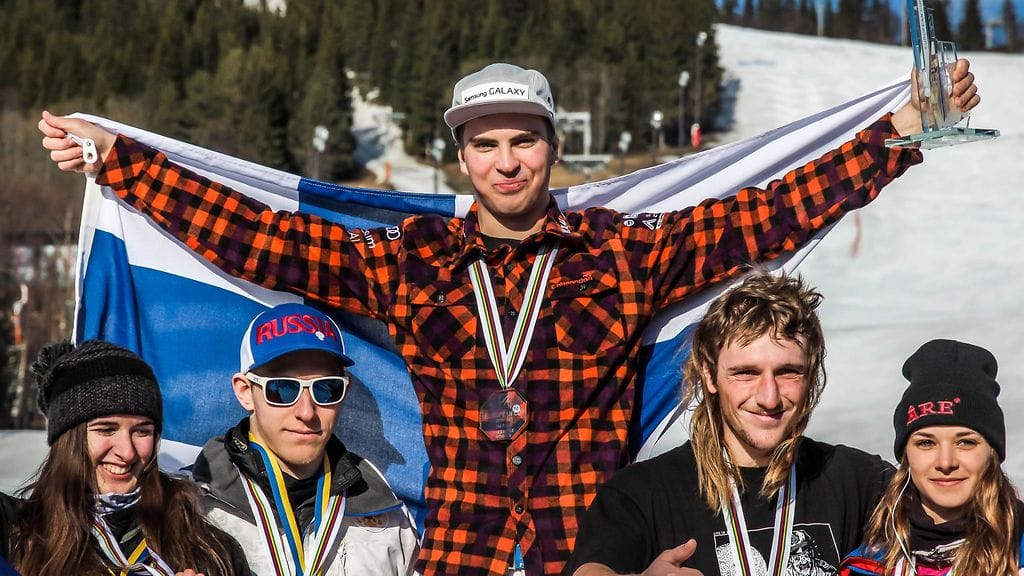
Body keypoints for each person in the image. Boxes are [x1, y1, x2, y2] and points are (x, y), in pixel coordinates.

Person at [39, 59, 980, 576]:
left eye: (522, 141)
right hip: (460, 552)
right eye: (485, 145)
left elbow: (762, 216)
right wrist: (126, 167)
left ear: (549, 148)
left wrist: (890, 142)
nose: (505, 162)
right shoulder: (414, 264)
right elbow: (265, 243)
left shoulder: (622, 255)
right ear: (461, 159)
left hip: (594, 554)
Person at [567, 272, 892, 576]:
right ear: (709, 374)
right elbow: (592, 569)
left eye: (788, 372)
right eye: (746, 373)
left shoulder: (861, 481)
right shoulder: (640, 493)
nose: (769, 397)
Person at [189, 302, 419, 575]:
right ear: (245, 392)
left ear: (345, 392)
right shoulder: (188, 509)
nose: (307, 412)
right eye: (283, 389)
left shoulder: (390, 518)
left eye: (327, 389)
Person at [7, 339, 249, 576]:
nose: (127, 452)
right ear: (68, 439)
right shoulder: (16, 535)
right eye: (106, 429)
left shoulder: (208, 548)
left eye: (142, 431)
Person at [839, 339, 1024, 576]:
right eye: (926, 443)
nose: (945, 462)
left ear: (992, 452)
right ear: (906, 455)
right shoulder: (866, 565)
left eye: (965, 442)